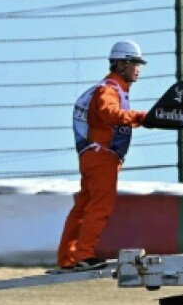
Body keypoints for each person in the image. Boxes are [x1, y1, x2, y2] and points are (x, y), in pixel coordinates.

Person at [55, 40, 151, 271]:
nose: (138, 68)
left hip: (92, 156)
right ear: (120, 64)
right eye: (134, 63)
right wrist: (141, 117)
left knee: (82, 207)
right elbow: (109, 114)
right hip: (102, 156)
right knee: (101, 206)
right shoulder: (108, 88)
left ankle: (67, 257)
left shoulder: (112, 88)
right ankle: (84, 255)